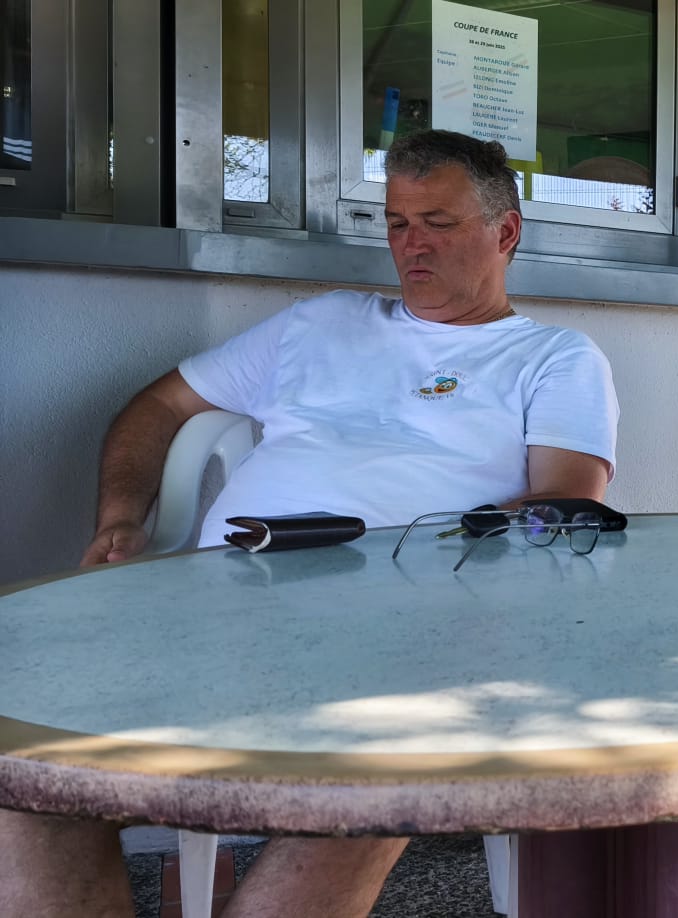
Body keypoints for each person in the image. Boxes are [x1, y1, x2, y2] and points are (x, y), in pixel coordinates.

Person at [0, 130, 619, 918]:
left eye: (438, 222)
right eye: (397, 223)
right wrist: (122, 517)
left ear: (506, 233)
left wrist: (433, 555)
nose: (413, 244)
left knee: (372, 780)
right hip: (213, 608)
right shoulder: (322, 323)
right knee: (29, 759)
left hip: (412, 630)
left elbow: (565, 504)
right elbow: (161, 405)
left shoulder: (554, 357)